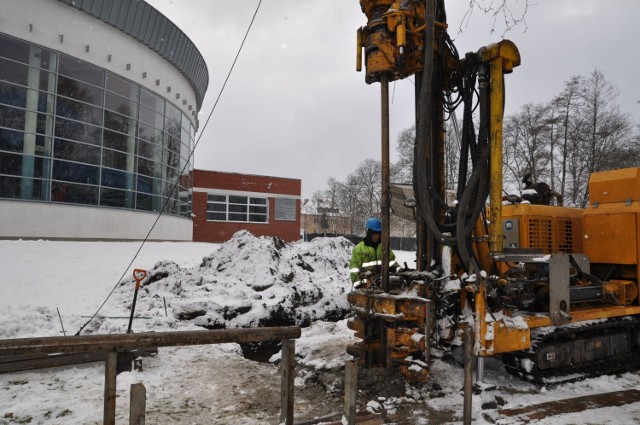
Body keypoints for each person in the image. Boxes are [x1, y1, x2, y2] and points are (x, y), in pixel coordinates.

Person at [349, 217, 400, 286]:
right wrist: (357, 283)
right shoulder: (359, 249)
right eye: (374, 234)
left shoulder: (383, 246)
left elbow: (391, 261)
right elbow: (354, 268)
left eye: (378, 234)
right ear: (369, 233)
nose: (377, 237)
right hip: (366, 285)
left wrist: (398, 269)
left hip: (382, 284)